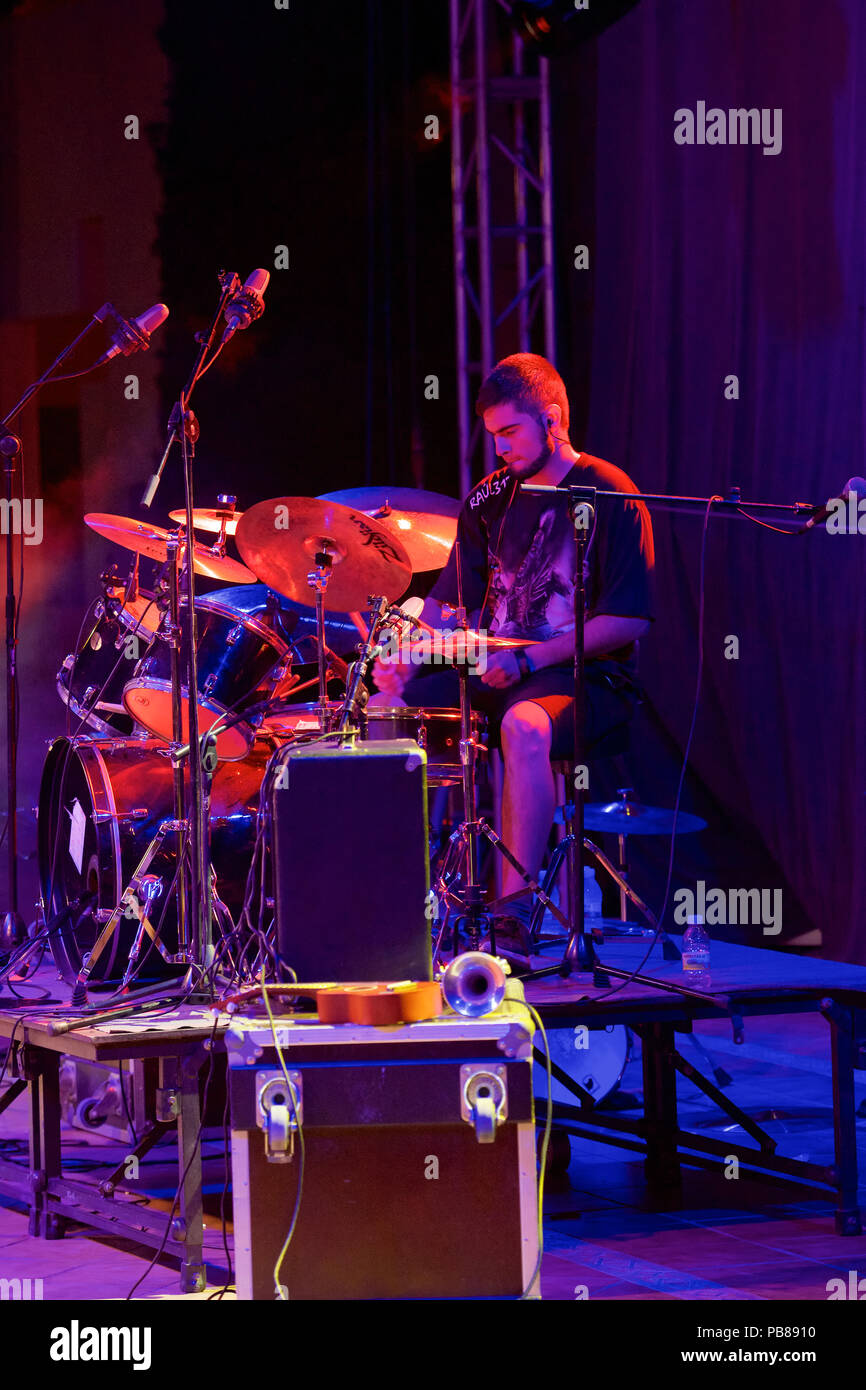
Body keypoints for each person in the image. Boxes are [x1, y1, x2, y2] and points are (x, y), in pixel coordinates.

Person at [370, 353, 654, 939]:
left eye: (509, 433)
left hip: (580, 673)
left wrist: (530, 657)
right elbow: (452, 607)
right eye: (492, 435)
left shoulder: (608, 492)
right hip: (494, 662)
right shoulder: (488, 498)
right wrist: (410, 652)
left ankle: (515, 910)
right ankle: (389, 899)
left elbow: (627, 620)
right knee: (381, 711)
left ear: (552, 419)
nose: (499, 448)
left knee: (524, 726)